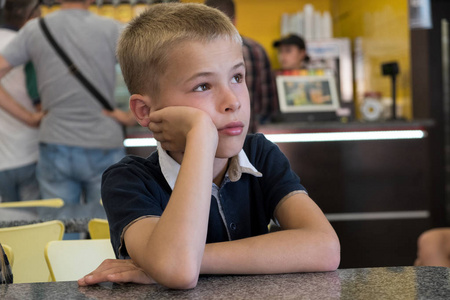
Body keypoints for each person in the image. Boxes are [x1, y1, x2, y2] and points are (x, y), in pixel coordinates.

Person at [78, 3, 340, 289]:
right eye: (203, 86)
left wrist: (173, 261)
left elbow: (325, 248)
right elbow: (179, 271)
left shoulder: (260, 155)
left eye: (237, 78)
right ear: (144, 111)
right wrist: (201, 135)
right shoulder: (128, 180)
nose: (233, 101)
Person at [0, 0, 135, 206]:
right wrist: (130, 116)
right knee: (108, 224)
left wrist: (27, 118)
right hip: (104, 140)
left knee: (60, 226)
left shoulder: (35, 29)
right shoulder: (111, 28)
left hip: (55, 141)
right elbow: (151, 66)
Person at [204, 0, 278, 133]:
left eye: (237, 78)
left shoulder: (195, 54)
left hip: (207, 135)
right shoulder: (256, 50)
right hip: (247, 134)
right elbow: (268, 105)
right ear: (235, 20)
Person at [0, 0, 41, 202]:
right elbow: (40, 100)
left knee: (8, 228)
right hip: (29, 153)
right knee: (35, 227)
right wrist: (31, 118)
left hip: (3, 160)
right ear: (31, 15)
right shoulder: (27, 46)